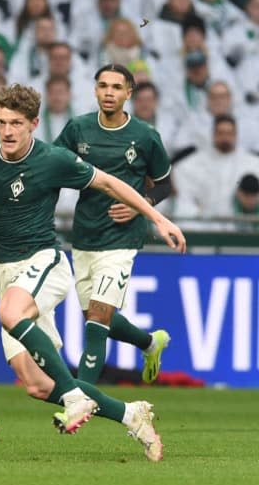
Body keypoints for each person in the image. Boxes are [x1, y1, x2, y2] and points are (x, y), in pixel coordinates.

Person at [0, 84, 187, 461]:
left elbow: (108, 183)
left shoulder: (53, 160)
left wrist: (158, 218)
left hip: (44, 263)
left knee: (9, 314)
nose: (7, 131)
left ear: (34, 123)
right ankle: (129, 414)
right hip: (7, 272)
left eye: (16, 123)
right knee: (36, 385)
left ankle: (74, 399)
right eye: (1, 122)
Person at [53, 64, 174, 385]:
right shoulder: (77, 129)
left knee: (96, 322)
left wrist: (141, 207)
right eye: (103, 86)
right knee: (95, 317)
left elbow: (163, 184)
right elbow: (49, 167)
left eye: (116, 87)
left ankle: (82, 397)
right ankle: (150, 343)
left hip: (122, 240)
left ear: (128, 94)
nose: (109, 93)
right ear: (95, 90)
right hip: (84, 235)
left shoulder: (145, 136)